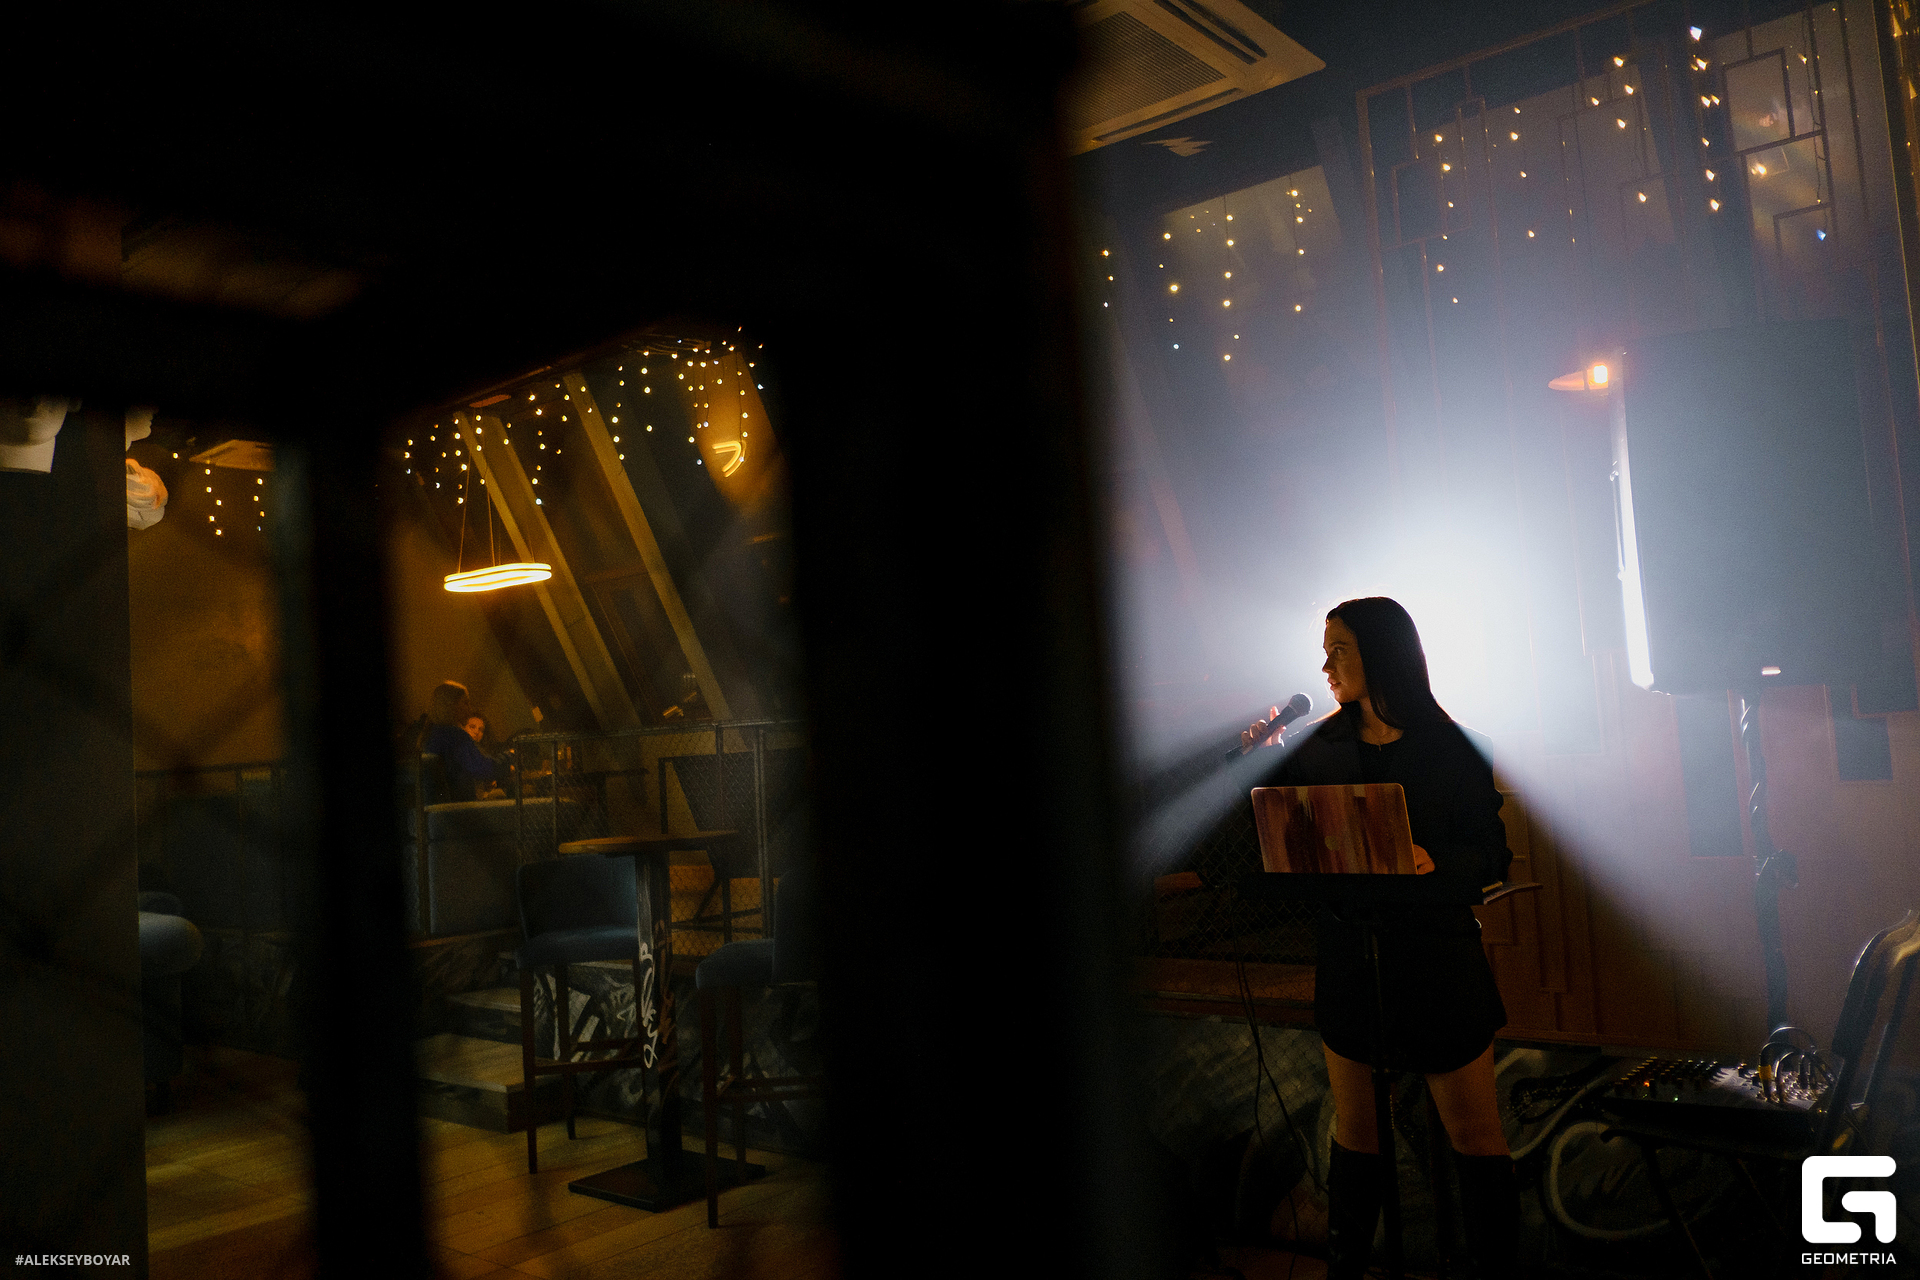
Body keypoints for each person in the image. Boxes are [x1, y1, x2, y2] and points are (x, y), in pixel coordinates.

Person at [1241, 597, 1517, 1280]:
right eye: (1324, 651)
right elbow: (1271, 851)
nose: (1325, 666)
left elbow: (1492, 856)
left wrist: (1433, 861)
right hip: (1350, 958)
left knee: (1473, 1134)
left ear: (1383, 652)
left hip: (1436, 960)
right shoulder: (1316, 748)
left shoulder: (1453, 747)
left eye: (1339, 649)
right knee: (1357, 1134)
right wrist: (1259, 769)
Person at [418, 681, 507, 802]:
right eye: (465, 703)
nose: (470, 708)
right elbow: (482, 768)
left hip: (437, 809)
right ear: (450, 705)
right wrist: (509, 757)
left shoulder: (430, 733)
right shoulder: (455, 736)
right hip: (458, 809)